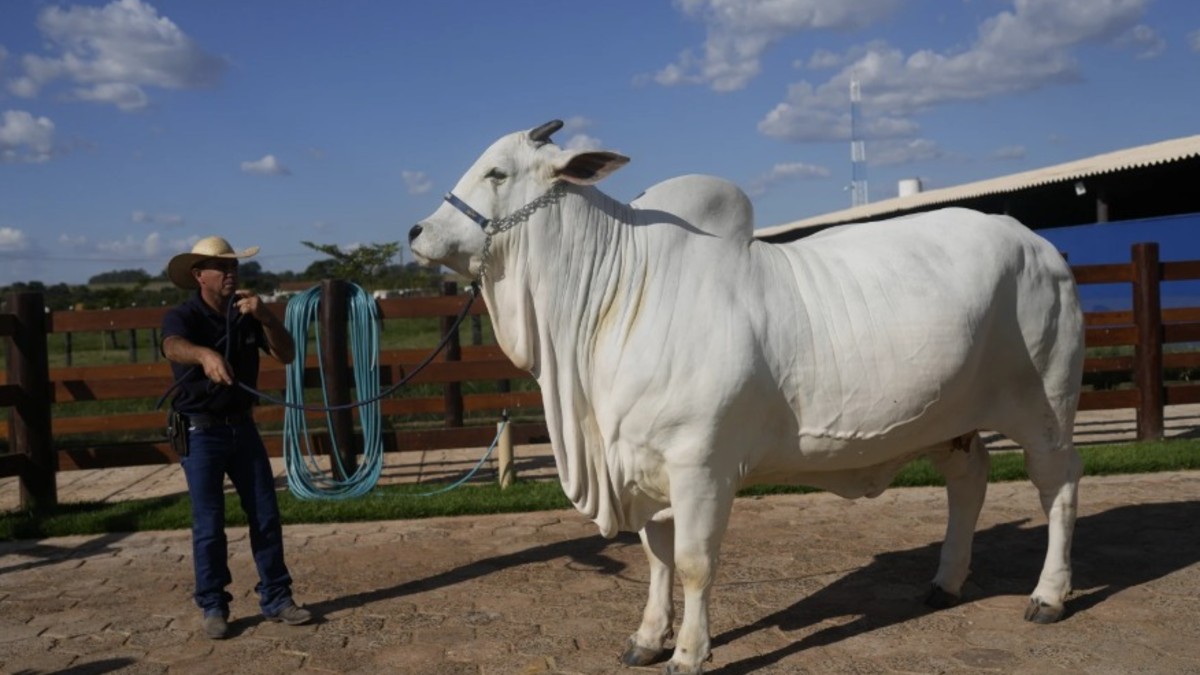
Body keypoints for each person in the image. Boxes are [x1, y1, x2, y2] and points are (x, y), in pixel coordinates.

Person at [161, 236, 312, 639]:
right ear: (199, 276)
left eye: (234, 267)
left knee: (265, 514)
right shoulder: (183, 315)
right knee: (209, 523)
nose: (231, 274)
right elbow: (173, 346)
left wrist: (267, 319)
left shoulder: (248, 313)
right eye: (222, 268)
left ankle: (277, 597)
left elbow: (288, 354)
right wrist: (205, 355)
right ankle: (213, 604)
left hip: (242, 427)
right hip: (200, 430)